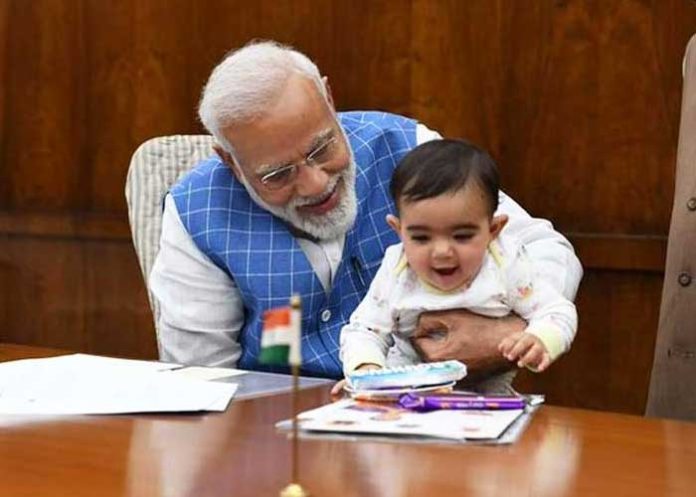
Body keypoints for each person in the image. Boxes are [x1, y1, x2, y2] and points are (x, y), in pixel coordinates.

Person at [149, 40, 583, 380]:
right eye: (278, 174)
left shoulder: (407, 147)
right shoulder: (196, 212)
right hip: (276, 436)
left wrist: (510, 331)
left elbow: (547, 249)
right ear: (231, 163)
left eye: (322, 148)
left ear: (329, 99)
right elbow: (201, 379)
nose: (315, 184)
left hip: (431, 418)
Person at [339, 139, 578, 392]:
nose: (442, 252)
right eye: (421, 238)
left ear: (494, 230)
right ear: (399, 231)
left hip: (486, 395)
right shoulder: (397, 270)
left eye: (462, 236)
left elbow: (556, 310)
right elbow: (365, 329)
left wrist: (540, 338)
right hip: (404, 388)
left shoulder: (505, 264)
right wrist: (366, 371)